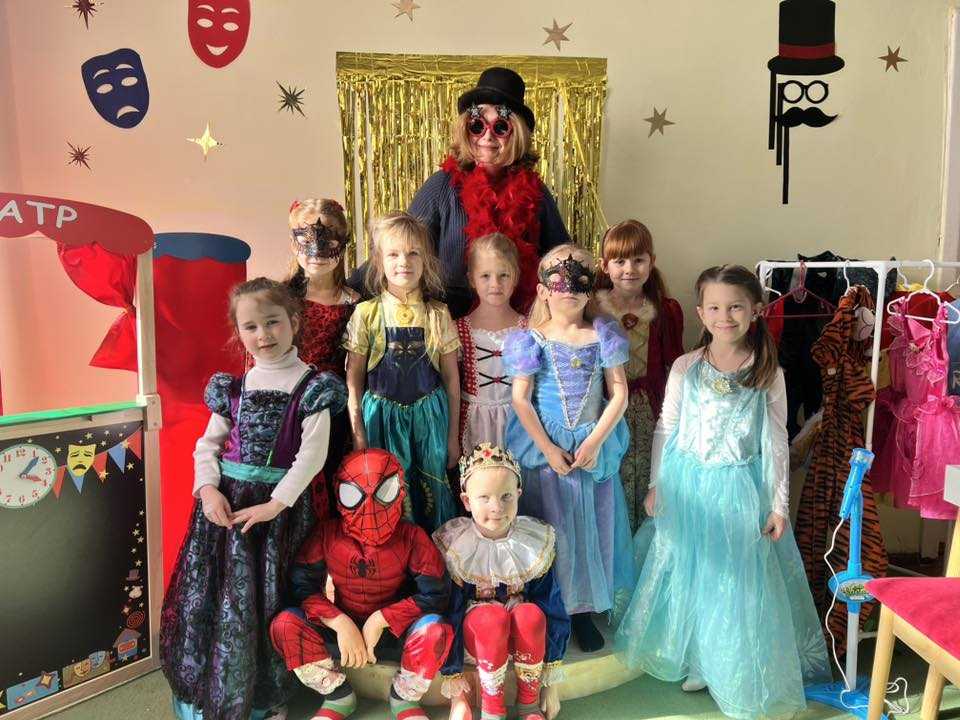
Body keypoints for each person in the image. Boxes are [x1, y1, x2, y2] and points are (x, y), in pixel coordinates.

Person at [615, 265, 830, 719]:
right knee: (693, 573)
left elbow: (776, 441)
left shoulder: (767, 372)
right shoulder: (686, 367)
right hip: (688, 488)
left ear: (755, 311)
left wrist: (778, 505)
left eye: (735, 307)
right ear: (701, 313)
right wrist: (656, 484)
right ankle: (698, 658)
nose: (724, 316)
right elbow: (666, 427)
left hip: (738, 491)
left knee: (733, 583)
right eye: (714, 307)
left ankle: (724, 666)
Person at [160, 277, 347, 720]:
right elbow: (208, 446)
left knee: (267, 598)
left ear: (294, 321)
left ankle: (267, 696)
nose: (263, 335)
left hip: (276, 513)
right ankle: (216, 689)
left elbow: (312, 456)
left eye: (273, 322)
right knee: (220, 595)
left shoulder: (313, 386)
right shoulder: (233, 388)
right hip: (225, 509)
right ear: (238, 332)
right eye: (251, 327)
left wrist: (275, 504)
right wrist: (207, 489)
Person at [503, 244, 635, 652]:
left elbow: (619, 393)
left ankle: (582, 612)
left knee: (588, 530)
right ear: (543, 290)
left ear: (590, 288)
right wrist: (546, 447)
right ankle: (547, 607)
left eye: (580, 282)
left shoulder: (603, 335)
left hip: (590, 451)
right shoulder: (532, 339)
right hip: (549, 452)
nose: (570, 291)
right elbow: (521, 399)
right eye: (560, 282)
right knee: (552, 529)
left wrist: (595, 441)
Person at [270, 448, 453, 720]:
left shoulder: (412, 537)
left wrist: (382, 619)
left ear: (399, 490)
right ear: (339, 494)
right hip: (344, 635)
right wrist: (338, 621)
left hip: (395, 633)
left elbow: (436, 594)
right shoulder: (327, 534)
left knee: (435, 630)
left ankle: (405, 697)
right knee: (285, 624)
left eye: (384, 492)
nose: (370, 507)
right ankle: (337, 695)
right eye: (353, 495)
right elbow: (300, 587)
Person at [407, 66, 570, 317]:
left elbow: (563, 257)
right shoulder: (442, 187)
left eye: (500, 127)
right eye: (477, 126)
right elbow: (400, 245)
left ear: (517, 134)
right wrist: (347, 290)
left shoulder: (536, 192)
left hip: (518, 323)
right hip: (451, 323)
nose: (487, 137)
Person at [435, 443, 570, 720]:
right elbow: (450, 613)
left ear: (518, 494)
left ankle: (528, 704)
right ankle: (492, 708)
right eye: (484, 498)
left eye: (506, 496)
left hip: (522, 640)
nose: (496, 507)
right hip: (479, 640)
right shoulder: (458, 547)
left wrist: (552, 683)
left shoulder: (532, 543)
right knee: (491, 619)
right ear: (466, 501)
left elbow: (552, 605)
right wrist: (457, 695)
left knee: (531, 614)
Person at [344, 213, 459, 533]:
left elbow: (452, 380)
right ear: (379, 261)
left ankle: (432, 558)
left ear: (426, 261)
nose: (403, 262)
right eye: (393, 254)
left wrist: (452, 438)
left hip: (429, 421)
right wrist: (358, 433)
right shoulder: (366, 313)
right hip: (381, 419)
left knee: (430, 494)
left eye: (413, 253)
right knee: (386, 492)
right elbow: (354, 381)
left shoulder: (438, 314)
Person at [596, 220, 684, 530]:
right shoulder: (592, 310)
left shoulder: (666, 310)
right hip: (606, 410)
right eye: (619, 261)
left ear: (651, 262)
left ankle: (645, 549)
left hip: (651, 411)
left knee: (650, 480)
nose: (629, 269)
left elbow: (674, 365)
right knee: (612, 481)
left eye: (638, 260)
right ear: (604, 265)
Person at [285, 197, 358, 516]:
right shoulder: (280, 298)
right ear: (294, 244)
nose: (316, 251)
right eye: (306, 240)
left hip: (335, 413)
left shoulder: (357, 303)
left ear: (343, 245)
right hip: (289, 409)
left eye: (327, 242)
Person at [456, 232, 526, 454]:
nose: (495, 284)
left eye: (503, 275)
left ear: (515, 277)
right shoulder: (458, 329)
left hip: (518, 421)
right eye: (485, 275)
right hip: (474, 423)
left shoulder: (528, 328)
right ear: (471, 279)